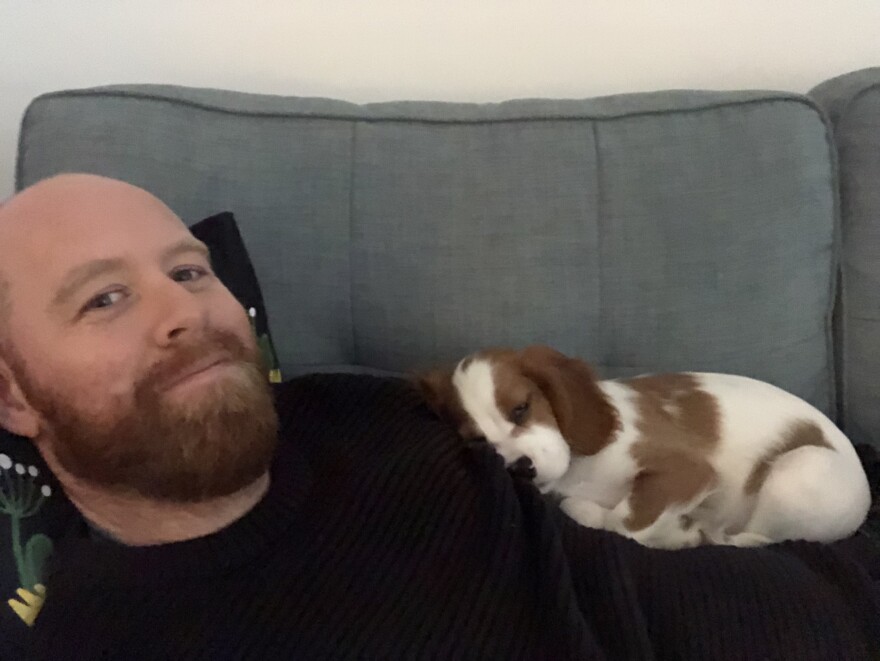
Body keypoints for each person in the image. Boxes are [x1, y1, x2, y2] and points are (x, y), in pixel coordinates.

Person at [0, 173, 877, 660]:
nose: (185, 312)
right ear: (13, 393)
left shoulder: (356, 405)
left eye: (191, 271)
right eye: (105, 297)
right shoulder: (99, 637)